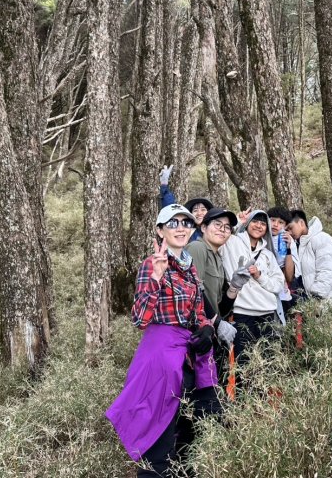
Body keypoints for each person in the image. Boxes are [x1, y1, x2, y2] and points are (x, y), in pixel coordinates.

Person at [106, 204, 218, 477]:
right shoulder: (152, 264)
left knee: (187, 433)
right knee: (160, 436)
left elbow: (198, 312)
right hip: (162, 359)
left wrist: (206, 329)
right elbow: (139, 319)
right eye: (173, 223)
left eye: (186, 223)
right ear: (160, 230)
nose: (181, 228)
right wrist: (156, 278)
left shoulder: (190, 268)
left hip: (188, 356)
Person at [220, 209, 284, 362]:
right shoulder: (232, 242)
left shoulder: (267, 255)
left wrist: (260, 276)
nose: (258, 226)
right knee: (243, 362)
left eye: (263, 224)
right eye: (255, 221)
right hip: (242, 313)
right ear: (248, 224)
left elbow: (278, 284)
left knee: (268, 361)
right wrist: (238, 222)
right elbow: (219, 235)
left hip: (267, 313)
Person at [185, 208, 239, 384]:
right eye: (217, 224)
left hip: (210, 335)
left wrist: (234, 287)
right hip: (196, 333)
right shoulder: (197, 248)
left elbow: (220, 307)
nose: (222, 230)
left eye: (227, 227)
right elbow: (193, 290)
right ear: (203, 227)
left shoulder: (217, 258)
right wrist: (217, 322)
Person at [158, 164, 212, 242]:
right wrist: (164, 185)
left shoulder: (216, 232)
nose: (199, 213)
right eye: (195, 210)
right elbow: (171, 210)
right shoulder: (187, 232)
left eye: (203, 209)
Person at [267, 206, 295, 314]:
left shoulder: (287, 240)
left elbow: (289, 277)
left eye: (280, 222)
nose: (275, 224)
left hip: (281, 292)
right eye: (273, 220)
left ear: (286, 225)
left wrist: (288, 249)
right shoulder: (259, 236)